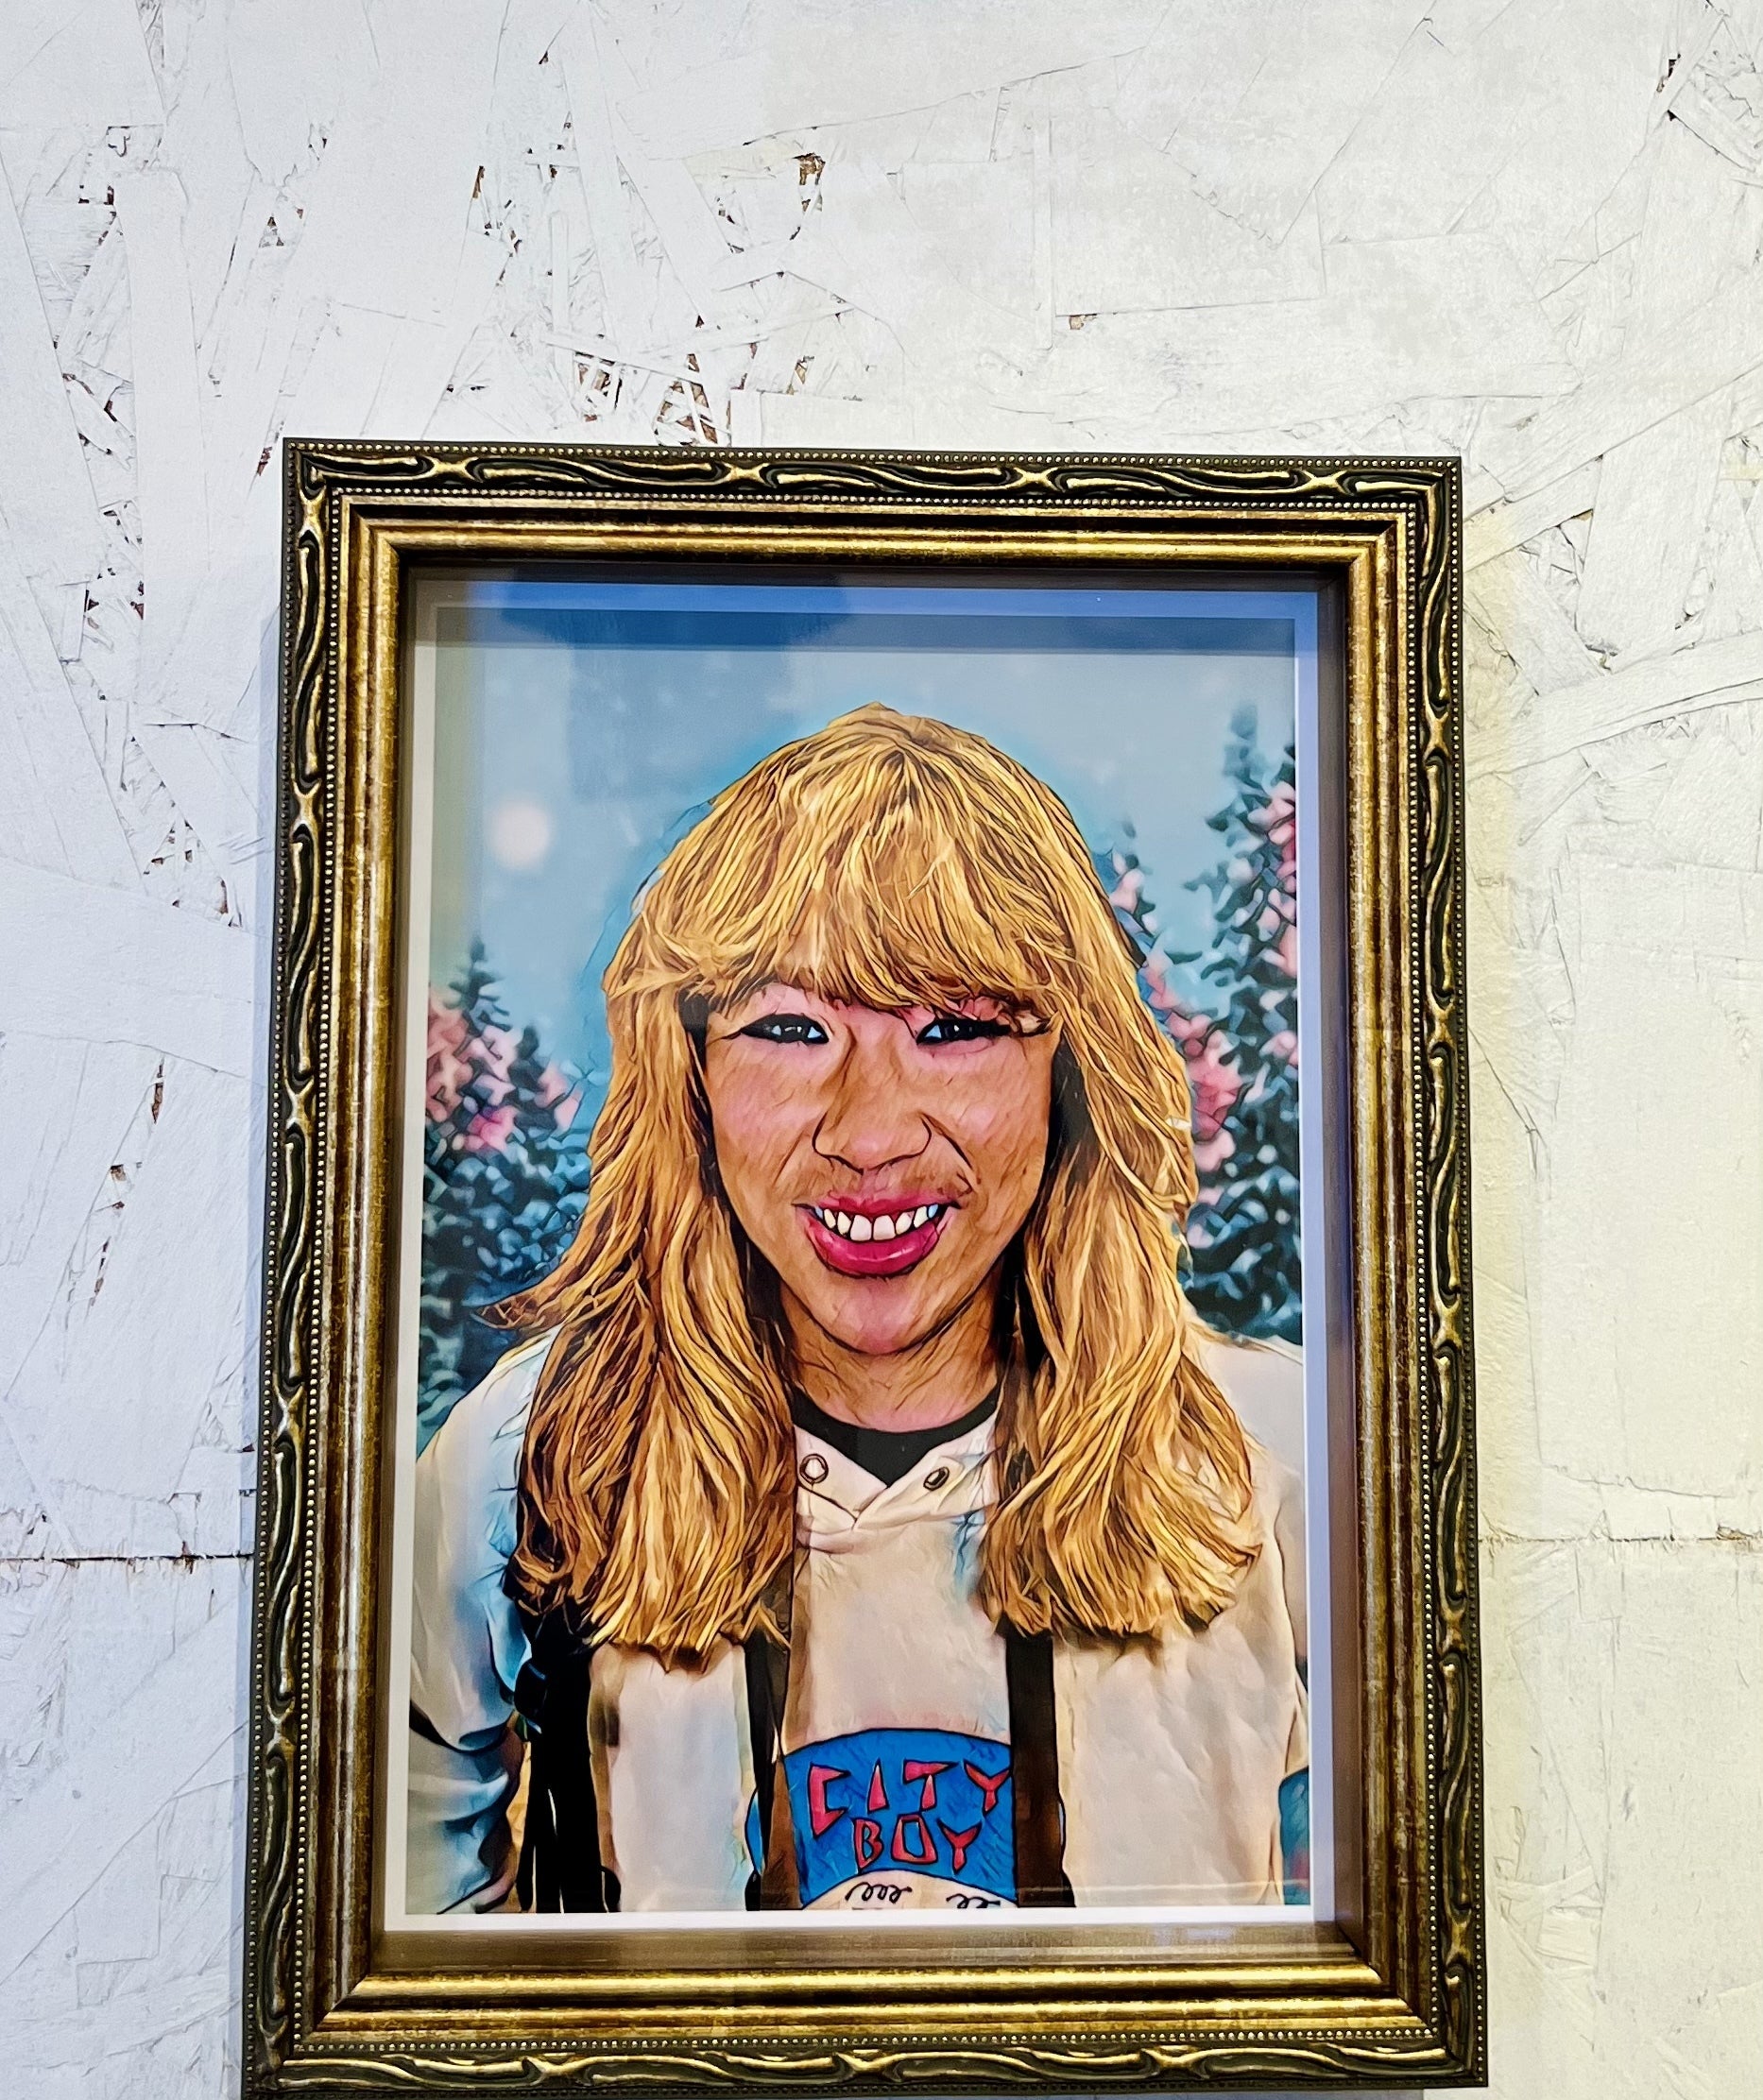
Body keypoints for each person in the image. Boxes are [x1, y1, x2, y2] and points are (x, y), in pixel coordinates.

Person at [407, 705, 1309, 1917]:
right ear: (690, 1078)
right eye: (789, 1028)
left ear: (1072, 1070)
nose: (870, 1131)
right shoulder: (533, 1455)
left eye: (954, 1028)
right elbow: (395, 1906)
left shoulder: (1274, 1459)